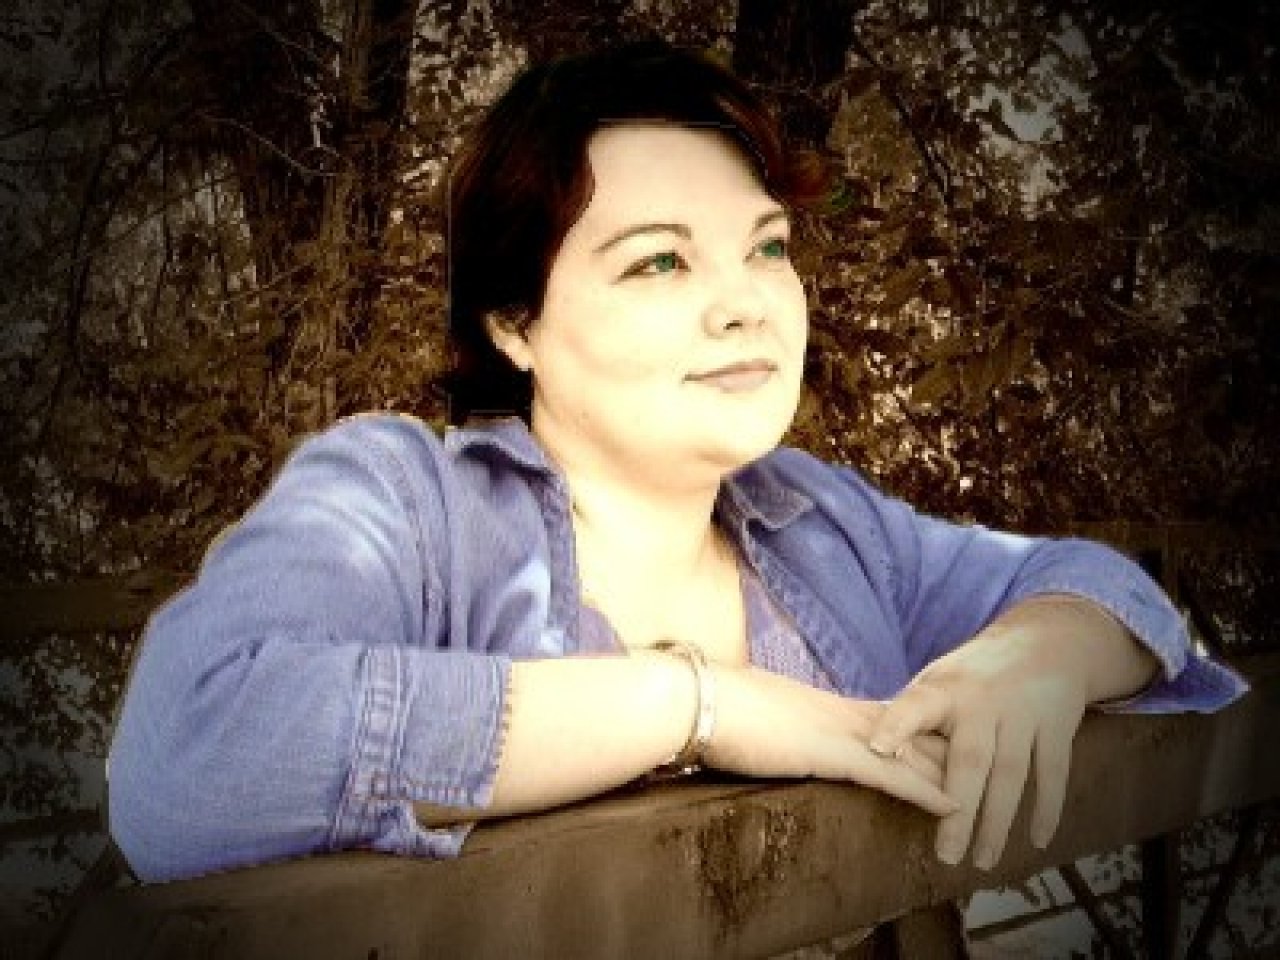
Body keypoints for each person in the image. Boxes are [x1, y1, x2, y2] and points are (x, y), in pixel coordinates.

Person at [108, 40, 1246, 884]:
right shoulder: (399, 502)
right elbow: (192, 756)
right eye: (658, 262)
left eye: (766, 247)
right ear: (513, 322)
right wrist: (693, 702)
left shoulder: (817, 519)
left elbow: (1106, 593)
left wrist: (1031, 657)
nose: (745, 303)